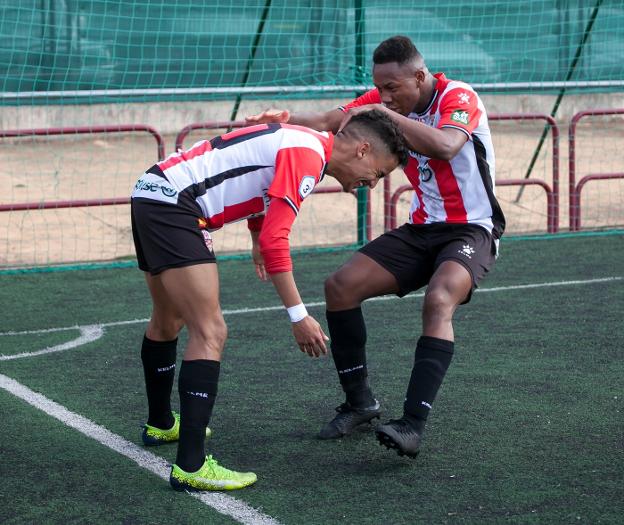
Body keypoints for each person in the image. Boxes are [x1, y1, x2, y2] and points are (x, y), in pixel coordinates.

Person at [246, 35, 506, 458]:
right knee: (340, 287)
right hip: (422, 228)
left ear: (419, 76)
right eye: (379, 88)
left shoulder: (458, 96)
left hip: (471, 230)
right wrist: (280, 121)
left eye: (392, 88)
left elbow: (446, 145)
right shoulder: (386, 100)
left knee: (439, 300)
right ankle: (360, 403)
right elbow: (333, 119)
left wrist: (380, 110)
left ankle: (412, 425)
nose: (384, 95)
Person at [131, 109, 408, 492]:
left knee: (167, 320)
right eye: (379, 174)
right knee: (210, 332)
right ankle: (192, 465)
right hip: (177, 207)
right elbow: (278, 239)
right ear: (363, 150)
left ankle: (161, 424)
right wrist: (299, 316)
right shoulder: (308, 156)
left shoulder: (304, 143)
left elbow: (258, 180)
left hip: (152, 191)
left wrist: (256, 235)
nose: (372, 185)